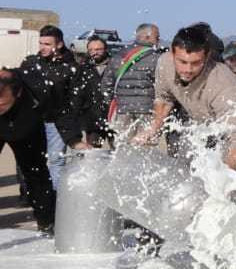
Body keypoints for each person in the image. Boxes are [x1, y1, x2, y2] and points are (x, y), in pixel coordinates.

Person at [136, 24, 236, 171]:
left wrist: (223, 178)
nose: (188, 70)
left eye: (196, 63)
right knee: (189, 164)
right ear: (172, 53)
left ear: (208, 56)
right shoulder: (165, 63)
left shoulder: (223, 85)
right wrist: (153, 129)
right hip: (202, 117)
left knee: (235, 168)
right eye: (182, 62)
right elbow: (164, 99)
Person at [0, 67, 87, 234]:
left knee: (36, 174)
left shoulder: (39, 87)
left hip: (27, 129)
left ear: (18, 94)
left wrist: (74, 140)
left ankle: (46, 221)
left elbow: (61, 112)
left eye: (2, 104)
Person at [21, 25, 92, 187]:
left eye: (47, 44)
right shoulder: (30, 63)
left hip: (57, 122)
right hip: (33, 121)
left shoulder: (72, 68)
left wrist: (71, 128)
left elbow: (76, 100)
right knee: (29, 161)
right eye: (40, 43)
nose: (42, 47)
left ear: (59, 44)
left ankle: (55, 202)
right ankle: (30, 195)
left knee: (56, 160)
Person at [107, 23, 164, 142]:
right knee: (146, 150)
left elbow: (106, 85)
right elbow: (162, 86)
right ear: (147, 38)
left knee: (123, 148)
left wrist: (114, 102)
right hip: (147, 111)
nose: (159, 40)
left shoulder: (118, 55)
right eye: (157, 37)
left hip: (122, 110)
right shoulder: (156, 58)